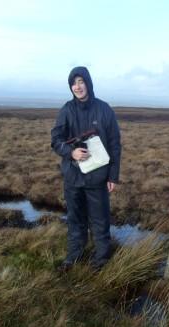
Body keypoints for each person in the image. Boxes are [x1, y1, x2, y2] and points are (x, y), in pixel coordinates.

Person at [51, 66, 121, 272]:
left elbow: (115, 144)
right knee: (75, 219)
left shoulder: (104, 109)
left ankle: (101, 262)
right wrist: (70, 152)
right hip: (73, 177)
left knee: (100, 221)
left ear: (88, 83)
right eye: (74, 83)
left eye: (81, 81)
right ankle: (74, 258)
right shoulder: (66, 110)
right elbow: (55, 139)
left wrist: (113, 176)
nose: (77, 86)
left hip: (98, 177)